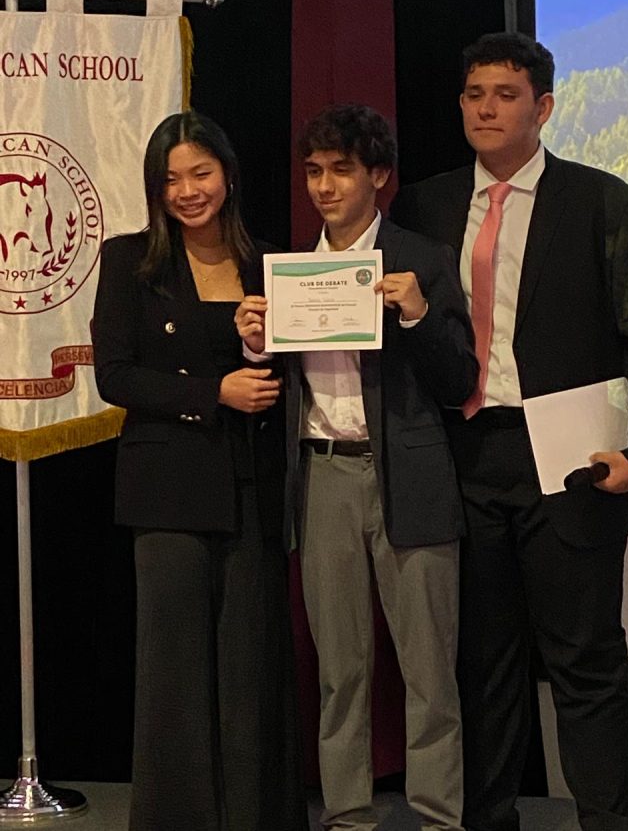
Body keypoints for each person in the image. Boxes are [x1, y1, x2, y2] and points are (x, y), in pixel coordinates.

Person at [391, 31, 628, 831]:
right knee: (483, 665)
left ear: (545, 107)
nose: (486, 109)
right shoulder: (424, 206)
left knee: (585, 662)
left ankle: (609, 821)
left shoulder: (605, 202)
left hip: (574, 458)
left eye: (505, 94)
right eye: (474, 94)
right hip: (464, 453)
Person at [236, 103, 478, 831]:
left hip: (411, 478)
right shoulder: (290, 271)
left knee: (429, 670)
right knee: (340, 670)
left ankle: (439, 818)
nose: (324, 186)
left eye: (340, 170)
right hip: (323, 476)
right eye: (314, 171)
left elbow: (459, 380)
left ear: (378, 175)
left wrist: (417, 315)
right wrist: (255, 343)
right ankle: (346, 817)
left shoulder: (420, 257)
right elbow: (276, 389)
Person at [92, 110, 308, 831]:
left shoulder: (268, 264)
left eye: (200, 173)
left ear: (229, 175)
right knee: (175, 673)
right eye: (171, 179)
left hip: (251, 489)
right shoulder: (129, 261)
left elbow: (283, 377)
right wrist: (213, 392)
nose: (187, 191)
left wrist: (256, 353)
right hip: (167, 493)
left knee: (251, 670)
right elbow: (116, 376)